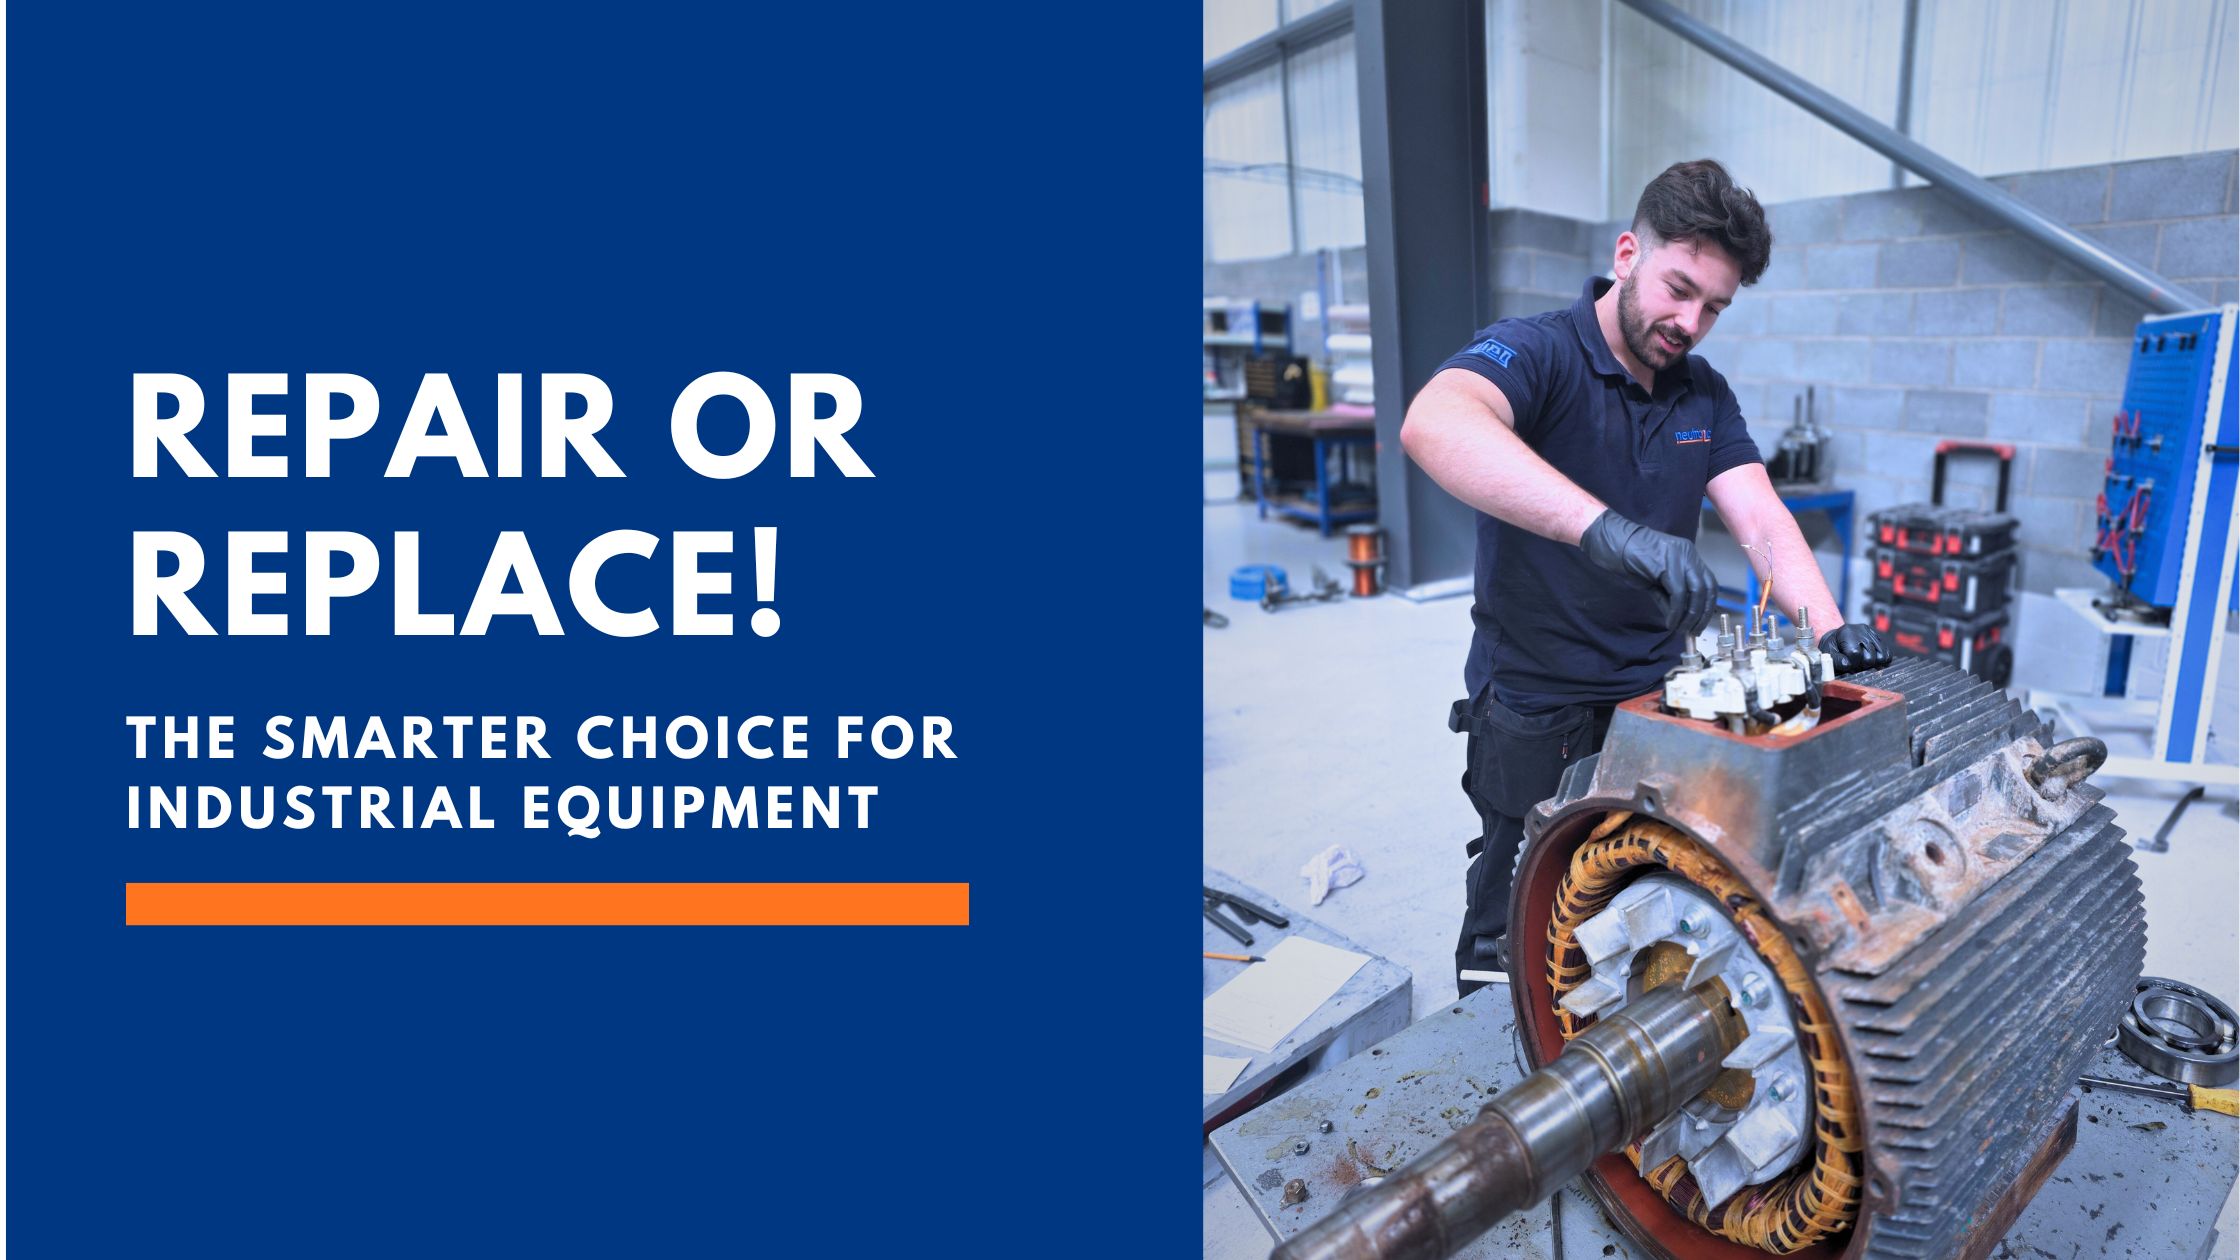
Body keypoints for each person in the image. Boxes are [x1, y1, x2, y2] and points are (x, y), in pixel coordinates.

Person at [1398, 159, 1889, 996]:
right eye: (1678, 288)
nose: (1690, 321)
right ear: (1628, 252)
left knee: (1628, 875)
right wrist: (1607, 531)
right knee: (1519, 889)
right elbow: (1434, 423)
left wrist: (1828, 622)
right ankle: (1485, 1027)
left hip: (1656, 697)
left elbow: (1765, 520)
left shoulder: (1703, 394)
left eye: (1714, 308)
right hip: (1534, 695)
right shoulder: (1537, 350)